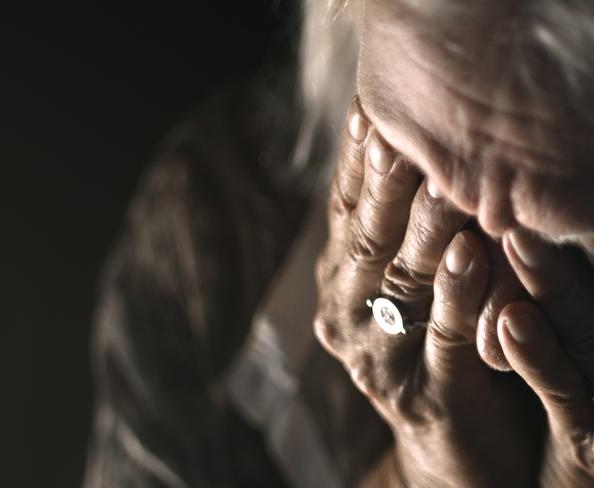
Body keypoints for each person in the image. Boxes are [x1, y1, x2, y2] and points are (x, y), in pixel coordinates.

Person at [83, 0, 594, 486]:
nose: (476, 267)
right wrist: (420, 479)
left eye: (557, 236)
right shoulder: (216, 229)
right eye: (421, 171)